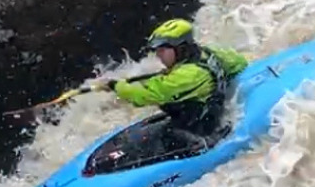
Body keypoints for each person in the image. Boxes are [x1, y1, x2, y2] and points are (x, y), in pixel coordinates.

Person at [91, 19, 249, 137]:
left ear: (180, 48)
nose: (158, 55)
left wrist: (114, 85)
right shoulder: (207, 53)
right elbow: (239, 63)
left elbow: (144, 96)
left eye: (162, 50)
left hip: (198, 129)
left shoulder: (188, 76)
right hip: (206, 113)